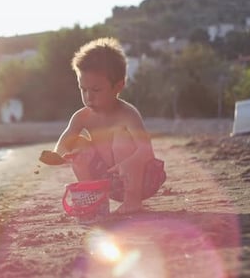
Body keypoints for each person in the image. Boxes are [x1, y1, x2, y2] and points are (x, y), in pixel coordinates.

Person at [40, 37, 165, 214]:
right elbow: (66, 140)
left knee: (121, 138)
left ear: (118, 86)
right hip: (108, 181)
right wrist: (59, 155)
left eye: (96, 90)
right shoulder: (82, 116)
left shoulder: (128, 114)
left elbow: (146, 151)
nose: (89, 97)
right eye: (83, 89)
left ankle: (133, 202)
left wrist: (129, 163)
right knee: (77, 145)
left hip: (143, 180)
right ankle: (93, 201)